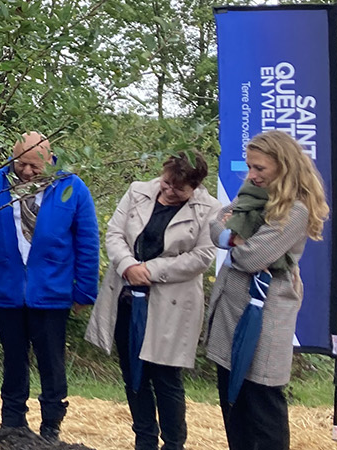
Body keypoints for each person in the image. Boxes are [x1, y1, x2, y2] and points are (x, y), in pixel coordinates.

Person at [205, 130, 329, 449]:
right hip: (230, 311)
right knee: (234, 405)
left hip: (263, 318)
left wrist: (237, 241)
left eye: (259, 168)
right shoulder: (251, 195)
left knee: (262, 407)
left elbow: (251, 258)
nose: (251, 175)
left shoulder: (296, 209)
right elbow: (214, 223)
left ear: (283, 165)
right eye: (250, 167)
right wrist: (235, 239)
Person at [84, 152, 216, 450]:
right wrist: (128, 265)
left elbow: (202, 257)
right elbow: (115, 234)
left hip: (172, 305)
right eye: (167, 183)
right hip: (128, 298)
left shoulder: (209, 209)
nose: (169, 192)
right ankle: (143, 440)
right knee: (134, 373)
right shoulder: (137, 191)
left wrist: (150, 270)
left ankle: (173, 443)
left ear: (195, 186)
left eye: (179, 189)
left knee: (165, 377)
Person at [0, 131, 99, 441]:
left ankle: (51, 424)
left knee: (51, 361)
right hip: (8, 289)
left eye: (34, 166)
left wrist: (84, 290)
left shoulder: (71, 187)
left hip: (52, 292)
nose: (27, 172)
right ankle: (12, 421)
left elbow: (87, 242)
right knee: (14, 358)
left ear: (49, 159)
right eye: (21, 165)